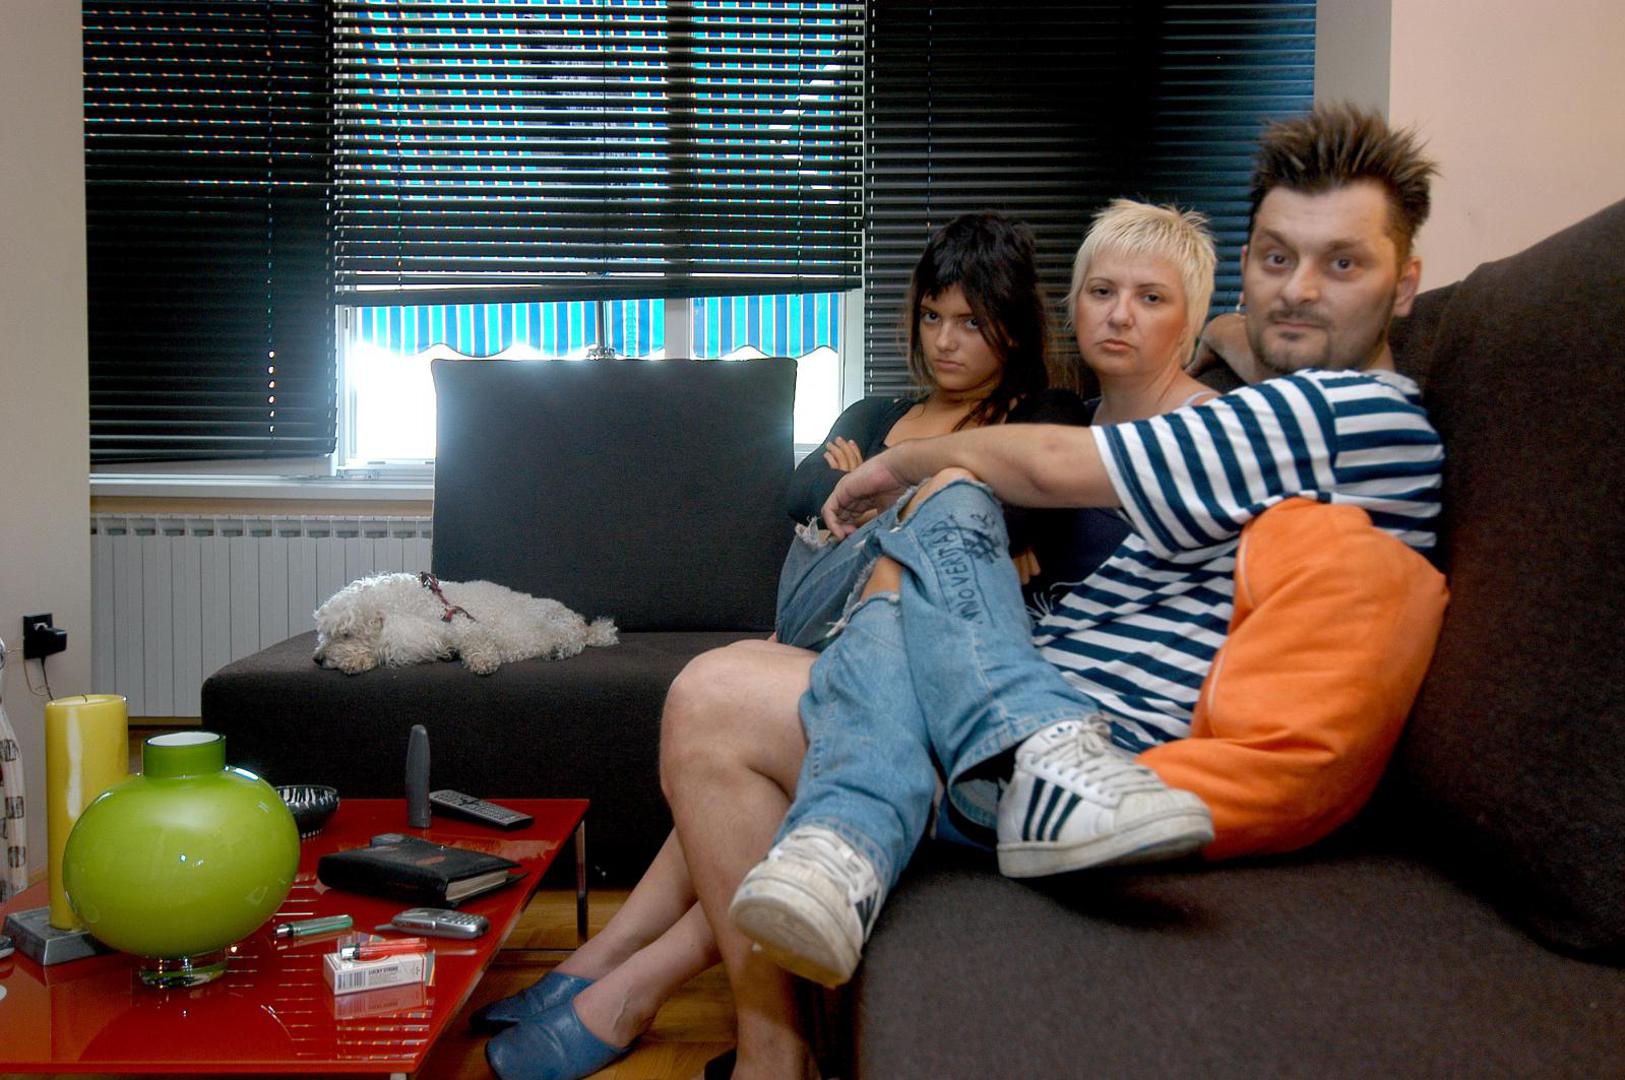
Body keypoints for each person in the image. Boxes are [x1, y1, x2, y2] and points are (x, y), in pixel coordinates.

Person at [662, 102, 1441, 1078]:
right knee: (841, 608)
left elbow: (1048, 464)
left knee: (723, 689)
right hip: (1051, 681)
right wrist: (1226, 328)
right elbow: (1253, 338)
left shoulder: (1347, 413)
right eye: (1277, 259)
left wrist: (897, 466)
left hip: (1103, 748)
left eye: (1342, 264)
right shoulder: (1285, 404)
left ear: (1403, 286)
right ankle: (746, 983)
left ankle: (776, 1023)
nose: (1299, 291)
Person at [481, 210, 1081, 1080]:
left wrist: (892, 484)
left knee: (730, 755)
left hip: (912, 667)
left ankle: (622, 973)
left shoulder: (1042, 412)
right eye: (932, 317)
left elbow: (1006, 521)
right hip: (816, 629)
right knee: (740, 740)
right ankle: (621, 972)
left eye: (971, 322)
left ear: (1014, 329)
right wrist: (894, 494)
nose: (946, 341)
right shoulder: (881, 408)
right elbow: (803, 497)